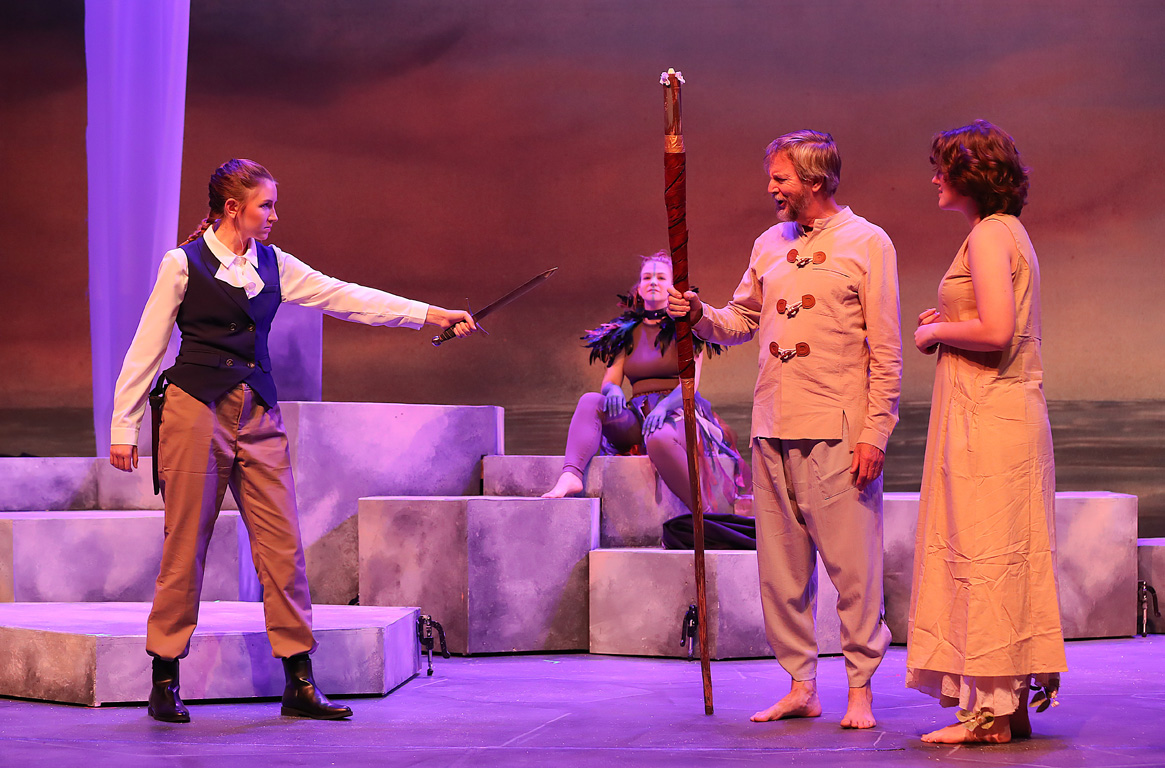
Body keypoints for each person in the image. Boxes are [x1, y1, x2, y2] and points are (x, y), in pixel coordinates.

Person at [108, 159, 475, 723]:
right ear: (234, 208)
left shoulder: (273, 263)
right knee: (185, 546)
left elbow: (346, 296)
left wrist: (429, 314)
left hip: (258, 413)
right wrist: (124, 425)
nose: (275, 215)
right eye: (267, 205)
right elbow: (147, 347)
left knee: (282, 547)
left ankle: (299, 681)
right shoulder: (183, 263)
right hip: (194, 411)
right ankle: (164, 679)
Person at [668, 131, 901, 729]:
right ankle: (801, 685)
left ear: (814, 181)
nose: (771, 188)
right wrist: (699, 315)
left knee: (854, 569)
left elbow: (887, 351)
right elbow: (741, 318)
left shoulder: (868, 242)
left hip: (838, 430)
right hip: (772, 423)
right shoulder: (768, 243)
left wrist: (875, 433)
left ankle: (860, 688)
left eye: (780, 178)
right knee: (781, 571)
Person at [907, 120, 1066, 744]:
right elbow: (991, 318)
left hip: (989, 419)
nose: (935, 179)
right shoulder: (1006, 232)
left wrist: (934, 332)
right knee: (1002, 554)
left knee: (986, 556)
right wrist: (949, 319)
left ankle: (991, 715)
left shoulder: (989, 234)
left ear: (970, 175)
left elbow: (997, 332)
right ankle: (1008, 705)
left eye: (943, 168)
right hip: (1000, 413)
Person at [543, 252, 745, 515]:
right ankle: (571, 474)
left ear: (674, 287)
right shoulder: (625, 333)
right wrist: (613, 390)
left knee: (658, 438)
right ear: (639, 287)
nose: (653, 282)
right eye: (647, 277)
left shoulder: (688, 329)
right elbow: (610, 380)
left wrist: (663, 408)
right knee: (591, 401)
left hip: (678, 411)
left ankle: (703, 513)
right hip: (639, 415)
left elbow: (689, 383)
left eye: (661, 277)